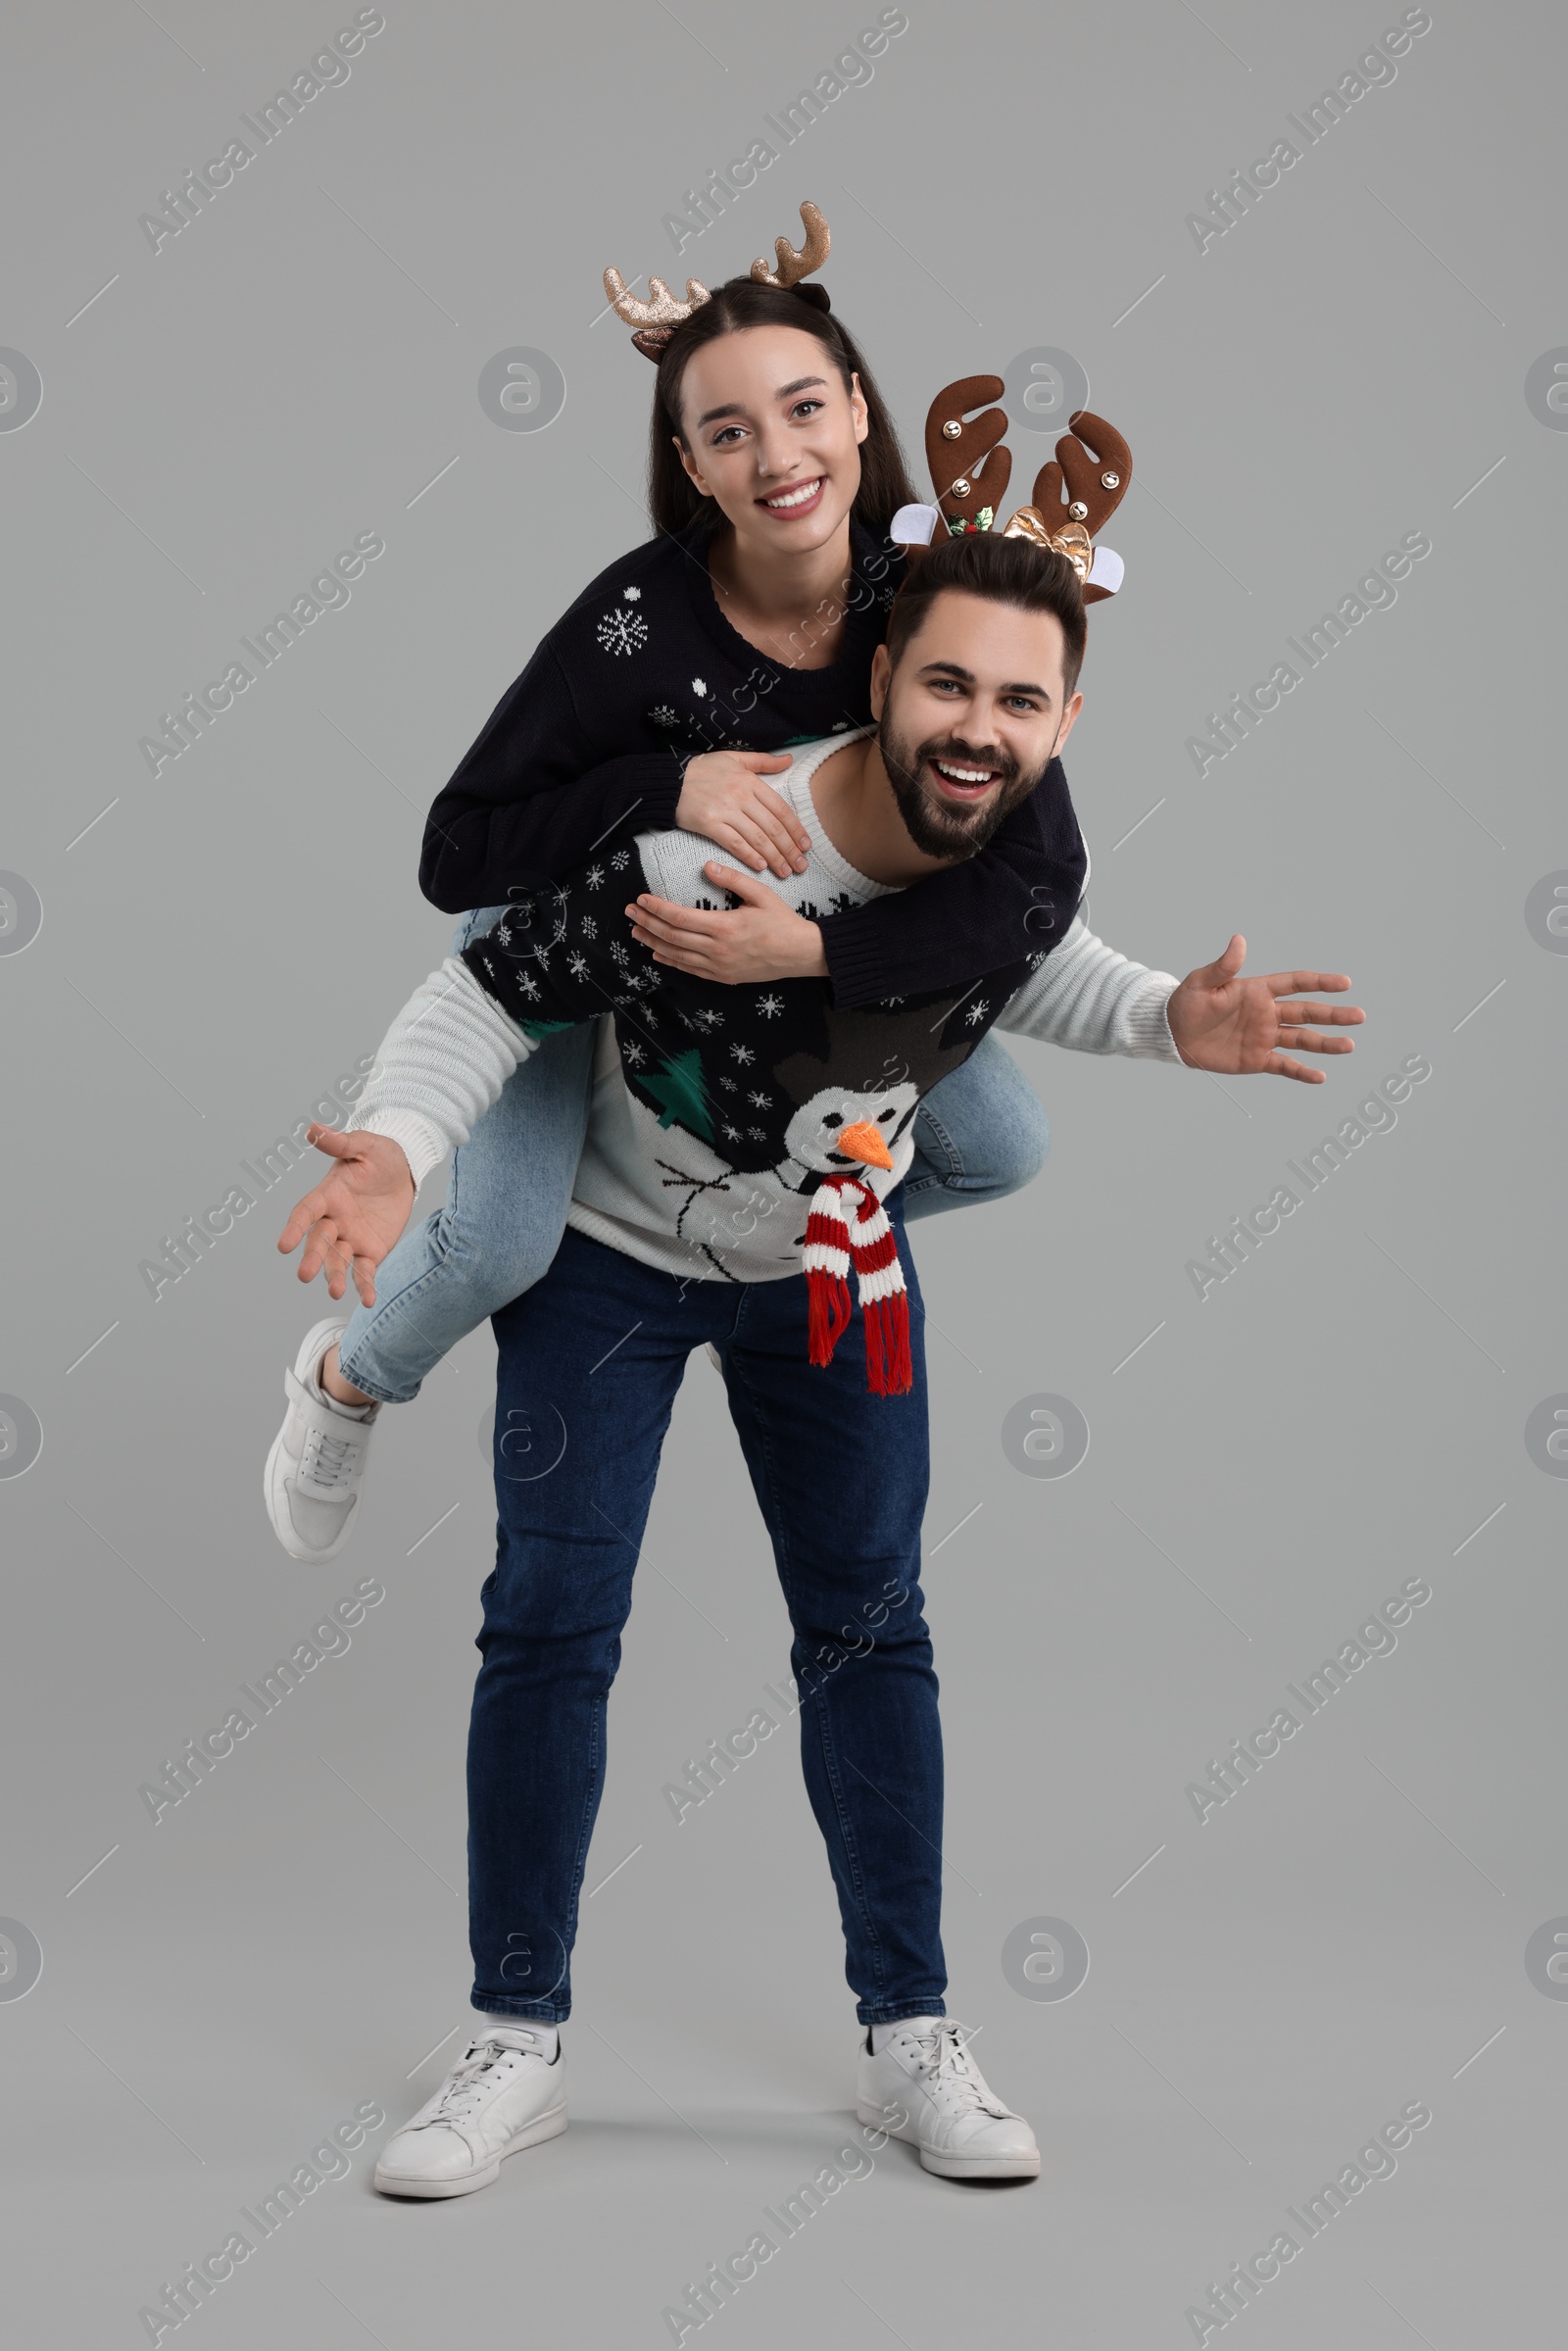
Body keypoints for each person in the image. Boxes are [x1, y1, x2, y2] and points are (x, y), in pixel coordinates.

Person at [272, 493, 1363, 2196]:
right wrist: (400, 1147)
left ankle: (910, 2036)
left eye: (1019, 704)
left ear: (1066, 724)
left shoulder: (1008, 859)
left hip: (825, 1282)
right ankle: (513, 2040)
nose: (979, 730)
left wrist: (1171, 1022)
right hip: (605, 1270)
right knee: (549, 1628)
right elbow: (495, 987)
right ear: (881, 676)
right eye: (947, 689)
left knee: (871, 1629)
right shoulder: (722, 845)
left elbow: (1035, 969)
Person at [265, 204, 1088, 1564]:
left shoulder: (921, 593)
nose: (779, 458)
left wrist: (824, 967)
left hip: (790, 959)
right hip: (580, 940)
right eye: (728, 431)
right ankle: (345, 1378)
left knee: (999, 1142)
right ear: (690, 464)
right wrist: (671, 787)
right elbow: (455, 854)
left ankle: (752, 1212)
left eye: (804, 408)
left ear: (861, 414)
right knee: (495, 1249)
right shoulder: (633, 624)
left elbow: (1040, 880)